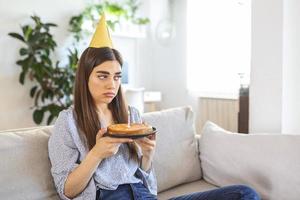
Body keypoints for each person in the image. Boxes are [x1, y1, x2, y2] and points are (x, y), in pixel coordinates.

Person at [48, 14, 261, 200]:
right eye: (102, 76)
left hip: (143, 195)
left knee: (244, 194)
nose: (112, 85)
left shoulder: (131, 115)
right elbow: (66, 191)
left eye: (117, 77)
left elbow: (149, 185)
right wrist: (96, 154)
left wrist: (147, 156)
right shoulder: (67, 123)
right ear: (85, 78)